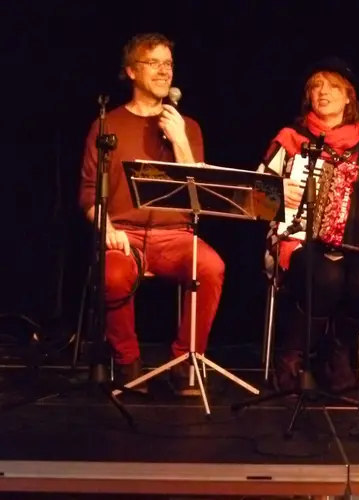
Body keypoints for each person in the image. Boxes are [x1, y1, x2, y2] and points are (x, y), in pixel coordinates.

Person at [78, 33, 225, 396]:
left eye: (169, 64)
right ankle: (127, 361)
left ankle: (186, 362)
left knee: (211, 267)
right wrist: (106, 227)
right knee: (111, 275)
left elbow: (200, 195)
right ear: (131, 71)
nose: (164, 71)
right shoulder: (106, 124)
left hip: (175, 235)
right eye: (154, 63)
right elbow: (88, 192)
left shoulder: (186, 126)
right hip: (124, 233)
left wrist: (179, 140)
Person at [258, 57, 359, 394]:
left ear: (349, 97)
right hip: (297, 239)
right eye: (316, 87)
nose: (323, 92)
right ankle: (292, 356)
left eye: (332, 87)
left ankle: (337, 352)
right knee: (326, 275)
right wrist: (278, 195)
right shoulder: (291, 139)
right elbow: (256, 195)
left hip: (352, 245)